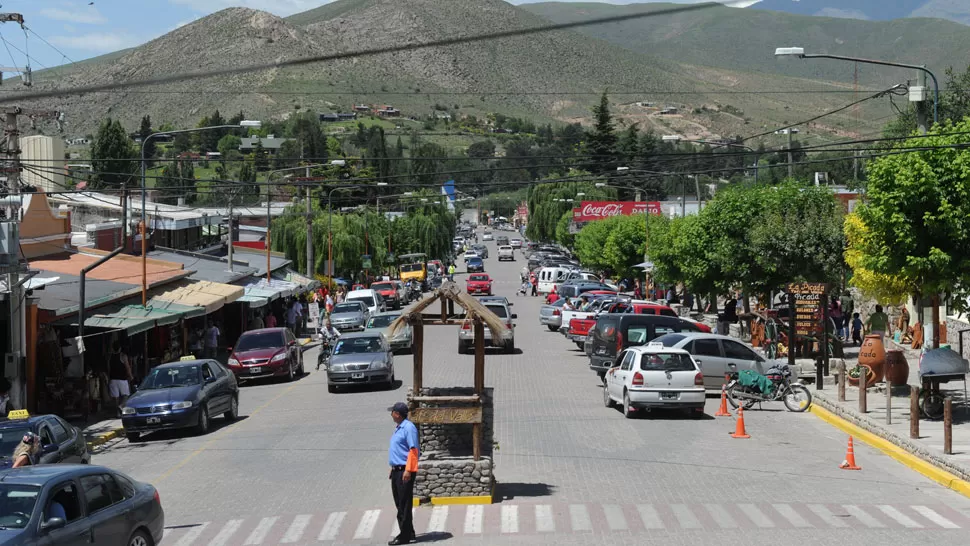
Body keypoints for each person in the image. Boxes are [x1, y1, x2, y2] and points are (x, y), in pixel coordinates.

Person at [387, 402, 418, 545]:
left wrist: (407, 470)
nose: (391, 414)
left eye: (392, 412)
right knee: (399, 503)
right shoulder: (399, 427)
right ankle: (409, 532)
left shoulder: (408, 428)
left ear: (397, 414)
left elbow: (413, 451)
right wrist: (393, 467)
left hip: (405, 471)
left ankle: (404, 536)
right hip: (397, 471)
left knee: (404, 504)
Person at [108, 341, 133, 413]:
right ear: (120, 348)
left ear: (112, 348)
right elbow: (127, 367)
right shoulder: (123, 356)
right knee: (126, 395)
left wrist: (109, 379)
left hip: (113, 379)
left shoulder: (110, 357)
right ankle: (121, 407)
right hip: (122, 379)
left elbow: (109, 368)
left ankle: (117, 413)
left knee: (116, 398)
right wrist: (131, 376)